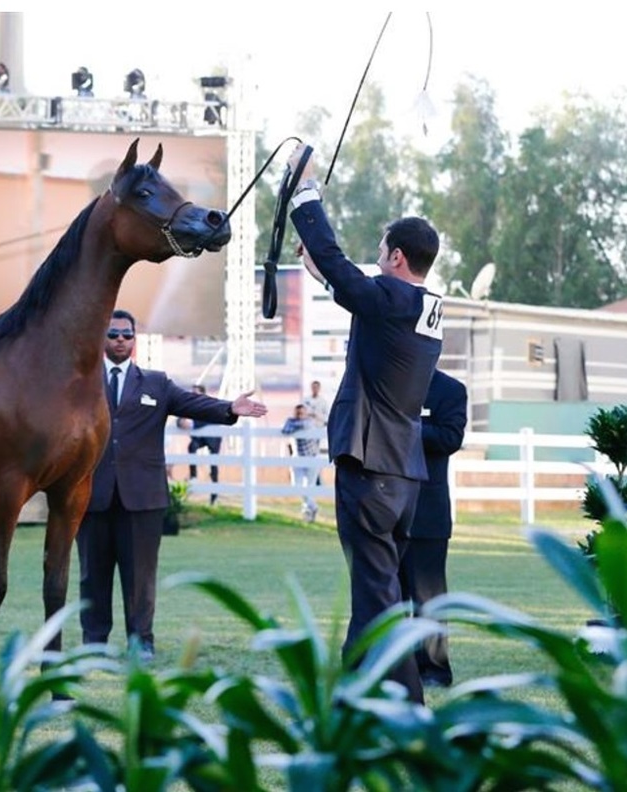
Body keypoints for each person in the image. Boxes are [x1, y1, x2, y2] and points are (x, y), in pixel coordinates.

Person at [287, 142, 444, 704]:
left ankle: (408, 707)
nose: (375, 258)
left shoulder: (391, 300)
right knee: (376, 588)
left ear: (397, 257)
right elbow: (358, 295)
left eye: (380, 250)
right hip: (403, 477)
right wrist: (321, 273)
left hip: (371, 468)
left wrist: (305, 191)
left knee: (377, 596)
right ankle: (351, 696)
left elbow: (340, 265)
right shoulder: (424, 309)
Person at [76, 309, 267, 660]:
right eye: (113, 334)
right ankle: (94, 643)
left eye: (126, 335)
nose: (120, 340)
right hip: (92, 496)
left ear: (135, 340)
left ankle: (141, 642)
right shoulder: (81, 382)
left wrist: (230, 408)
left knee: (140, 578)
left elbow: (193, 404)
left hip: (143, 498)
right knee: (92, 575)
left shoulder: (156, 383)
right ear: (102, 338)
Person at [398, 369, 467, 688]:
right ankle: (394, 667)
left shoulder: (449, 389)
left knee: (429, 598)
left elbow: (450, 438)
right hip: (383, 510)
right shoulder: (386, 381)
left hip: (427, 512)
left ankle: (434, 669)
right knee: (387, 596)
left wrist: (402, 428)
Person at [179, 384, 223, 505]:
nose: (193, 395)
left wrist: (193, 425)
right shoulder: (189, 405)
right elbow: (180, 416)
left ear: (202, 394)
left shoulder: (209, 404)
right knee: (191, 447)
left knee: (213, 465)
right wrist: (181, 422)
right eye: (192, 392)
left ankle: (214, 495)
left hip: (212, 438)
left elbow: (208, 420)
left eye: (196, 393)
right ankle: (194, 476)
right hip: (199, 438)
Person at [281, 403, 321, 522]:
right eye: (298, 413)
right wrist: (294, 425)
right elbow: (285, 431)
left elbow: (304, 425)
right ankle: (313, 507)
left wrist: (293, 425)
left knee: (309, 486)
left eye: (302, 413)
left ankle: (307, 511)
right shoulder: (291, 421)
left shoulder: (309, 422)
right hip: (297, 458)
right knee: (297, 486)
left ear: (306, 413)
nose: (300, 415)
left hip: (312, 458)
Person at [304, 379, 329, 484]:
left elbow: (326, 417)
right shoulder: (306, 400)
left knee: (316, 455)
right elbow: (302, 413)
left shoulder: (323, 402)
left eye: (316, 387)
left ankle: (317, 478)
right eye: (313, 387)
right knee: (307, 455)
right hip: (307, 431)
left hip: (318, 431)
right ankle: (310, 478)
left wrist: (317, 416)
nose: (315, 389)